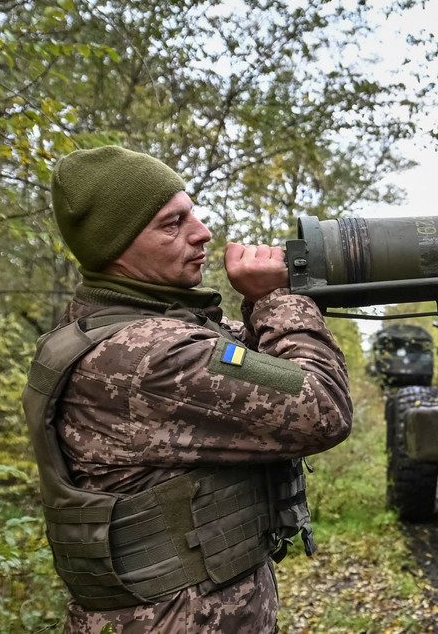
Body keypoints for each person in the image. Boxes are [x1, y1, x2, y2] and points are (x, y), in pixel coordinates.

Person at [23, 145, 352, 633]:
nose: (202, 232)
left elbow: (255, 365)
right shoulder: (149, 357)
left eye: (191, 213)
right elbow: (321, 408)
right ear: (117, 249)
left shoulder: (130, 332)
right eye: (172, 223)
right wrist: (275, 299)